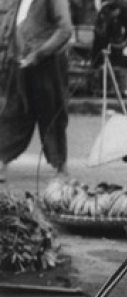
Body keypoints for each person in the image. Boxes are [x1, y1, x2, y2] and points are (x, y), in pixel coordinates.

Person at [0, 0, 72, 183]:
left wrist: (40, 53)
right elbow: (9, 27)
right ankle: (2, 160)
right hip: (19, 63)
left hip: (47, 65)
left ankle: (60, 166)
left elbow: (65, 29)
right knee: (13, 113)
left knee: (52, 115)